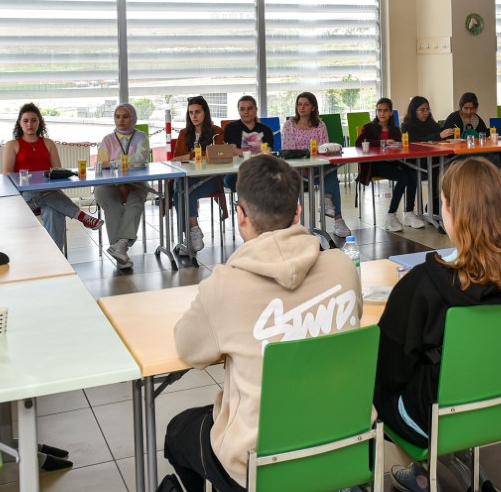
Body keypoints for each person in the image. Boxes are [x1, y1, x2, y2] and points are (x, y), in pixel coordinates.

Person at [162, 154, 361, 492]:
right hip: (343, 442)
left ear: (241, 216)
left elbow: (189, 348)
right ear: (298, 212)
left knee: (178, 431)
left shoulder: (224, 286)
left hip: (258, 463)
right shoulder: (343, 267)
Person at [375, 158, 501, 492]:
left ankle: (418, 474)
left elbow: (390, 366)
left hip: (434, 417)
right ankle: (427, 471)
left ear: (453, 211)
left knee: (379, 383)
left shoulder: (424, 283)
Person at [1, 103, 103, 250]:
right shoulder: (13, 145)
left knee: (53, 211)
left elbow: (57, 172)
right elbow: (7, 175)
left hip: (48, 194)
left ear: (39, 122)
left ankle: (56, 256)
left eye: (34, 120)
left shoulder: (48, 143)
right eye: (26, 120)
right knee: (49, 197)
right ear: (19, 123)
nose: (30, 124)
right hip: (24, 197)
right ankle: (82, 216)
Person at [281, 92, 349, 237]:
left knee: (331, 169)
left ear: (313, 107)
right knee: (332, 176)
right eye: (299, 104)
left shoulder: (320, 125)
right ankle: (331, 209)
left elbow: (324, 149)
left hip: (318, 167)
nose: (302, 107)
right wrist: (305, 164)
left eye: (306, 104)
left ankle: (330, 208)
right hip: (296, 170)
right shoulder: (289, 125)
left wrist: (313, 163)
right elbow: (289, 151)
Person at [94, 103, 152, 270]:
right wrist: (122, 169)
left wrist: (113, 163)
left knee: (137, 198)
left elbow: (140, 159)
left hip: (136, 182)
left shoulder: (141, 137)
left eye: (125, 116)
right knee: (112, 202)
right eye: (117, 116)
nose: (120, 120)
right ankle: (120, 252)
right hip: (109, 184)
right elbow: (101, 164)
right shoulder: (107, 140)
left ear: (132, 118)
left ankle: (121, 245)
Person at [170, 95, 226, 256]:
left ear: (205, 113)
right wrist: (197, 155)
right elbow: (175, 159)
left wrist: (190, 155)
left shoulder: (217, 132)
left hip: (211, 179)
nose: (194, 116)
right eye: (191, 112)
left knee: (180, 191)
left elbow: (218, 155)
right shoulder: (184, 134)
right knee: (181, 189)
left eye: (197, 112)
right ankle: (193, 231)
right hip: (189, 178)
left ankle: (189, 236)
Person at [355, 98, 421, 231]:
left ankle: (409, 213)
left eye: (385, 110)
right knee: (403, 177)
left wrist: (399, 146)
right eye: (379, 110)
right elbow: (359, 143)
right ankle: (391, 215)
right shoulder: (369, 127)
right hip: (375, 165)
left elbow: (398, 146)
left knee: (413, 173)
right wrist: (382, 142)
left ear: (391, 112)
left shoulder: (395, 129)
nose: (382, 113)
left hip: (393, 162)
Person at [401, 96, 449, 217]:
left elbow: (439, 135)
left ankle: (436, 208)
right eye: (422, 110)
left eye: (427, 109)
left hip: (433, 160)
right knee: (437, 171)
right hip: (415, 162)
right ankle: (432, 209)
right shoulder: (406, 126)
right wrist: (439, 136)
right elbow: (415, 141)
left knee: (444, 170)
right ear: (414, 111)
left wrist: (446, 134)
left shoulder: (430, 123)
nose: (426, 113)